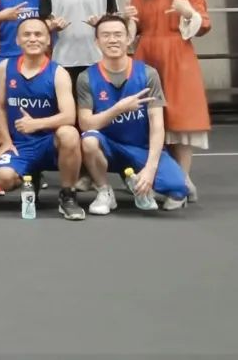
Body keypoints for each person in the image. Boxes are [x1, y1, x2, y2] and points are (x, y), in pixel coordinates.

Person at [126, 0, 210, 201]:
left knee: (179, 120)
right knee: (152, 118)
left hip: (178, 57)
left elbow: (204, 25)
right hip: (146, 56)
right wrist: (127, 22)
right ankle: (171, 181)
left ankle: (181, 182)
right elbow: (134, 29)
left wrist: (188, 12)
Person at [78, 15, 189, 213]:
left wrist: (150, 169)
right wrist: (118, 109)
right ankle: (104, 190)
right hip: (109, 147)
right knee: (89, 140)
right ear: (97, 42)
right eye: (106, 35)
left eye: (118, 34)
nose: (112, 40)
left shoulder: (148, 74)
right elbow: (86, 124)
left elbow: (157, 125)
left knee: (178, 188)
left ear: (128, 39)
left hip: (141, 148)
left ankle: (135, 178)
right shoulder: (86, 77)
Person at [0, 17, 85, 220]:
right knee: (3, 178)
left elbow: (69, 116)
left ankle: (68, 196)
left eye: (38, 34)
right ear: (17, 40)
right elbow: (0, 106)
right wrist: (5, 139)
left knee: (69, 134)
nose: (33, 39)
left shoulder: (58, 73)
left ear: (48, 40)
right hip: (19, 144)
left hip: (49, 143)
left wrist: (36, 124)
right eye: (27, 34)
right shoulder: (5, 67)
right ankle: (30, 178)